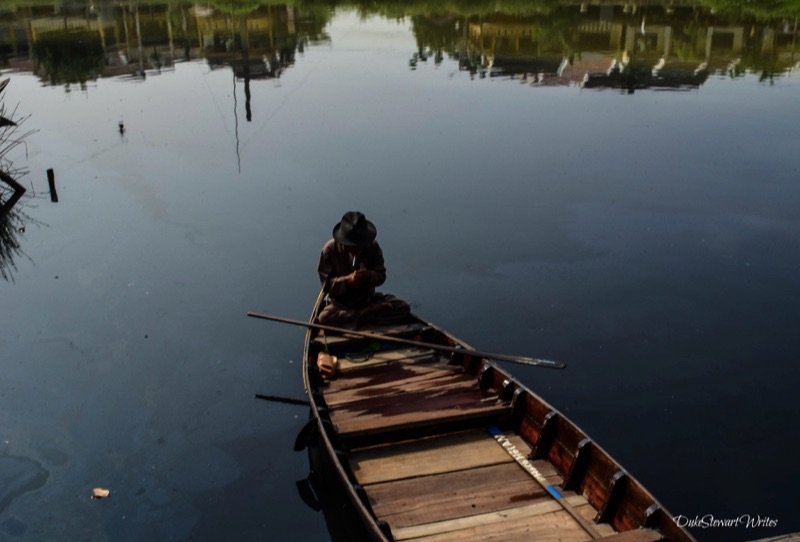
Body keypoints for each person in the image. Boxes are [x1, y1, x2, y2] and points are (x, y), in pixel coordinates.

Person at [317, 211, 409, 326]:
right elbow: (327, 286)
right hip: (342, 304)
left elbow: (381, 276)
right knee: (324, 317)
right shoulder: (329, 250)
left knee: (402, 307)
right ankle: (367, 314)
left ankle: (361, 316)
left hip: (367, 299)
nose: (358, 249)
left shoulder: (373, 247)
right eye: (353, 246)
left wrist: (369, 276)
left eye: (360, 245)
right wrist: (348, 280)